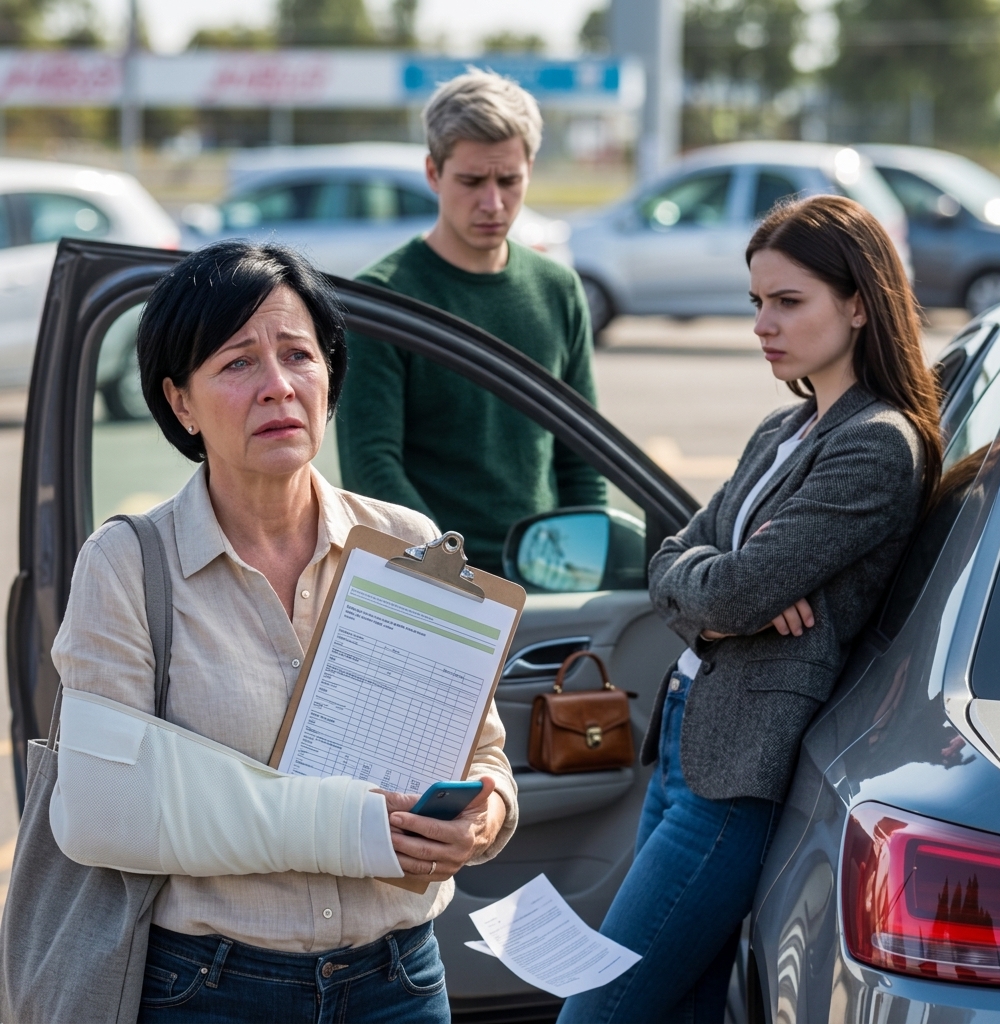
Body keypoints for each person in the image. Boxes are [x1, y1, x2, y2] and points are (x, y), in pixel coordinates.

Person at [50, 240, 518, 1023]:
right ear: (180, 402)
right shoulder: (128, 565)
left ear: (329, 376)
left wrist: (486, 817)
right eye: (236, 363)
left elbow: (484, 750)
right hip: (209, 988)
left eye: (298, 354)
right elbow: (99, 810)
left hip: (400, 981)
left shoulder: (408, 541)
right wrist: (344, 827)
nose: (277, 386)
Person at [558, 195, 943, 1023]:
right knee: (684, 1006)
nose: (763, 324)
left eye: (788, 302)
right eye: (757, 303)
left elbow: (727, 587)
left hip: (736, 779)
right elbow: (675, 559)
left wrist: (726, 593)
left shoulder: (877, 444)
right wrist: (725, 597)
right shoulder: (782, 428)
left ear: (859, 303)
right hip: (688, 741)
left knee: (597, 1009)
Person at [337, 69, 605, 576]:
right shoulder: (383, 297)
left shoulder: (558, 288)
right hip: (430, 582)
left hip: (548, 578)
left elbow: (582, 456)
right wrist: (450, 572)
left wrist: (582, 565)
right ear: (433, 173)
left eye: (509, 180)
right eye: (472, 181)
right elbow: (372, 470)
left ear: (529, 167)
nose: (493, 202)